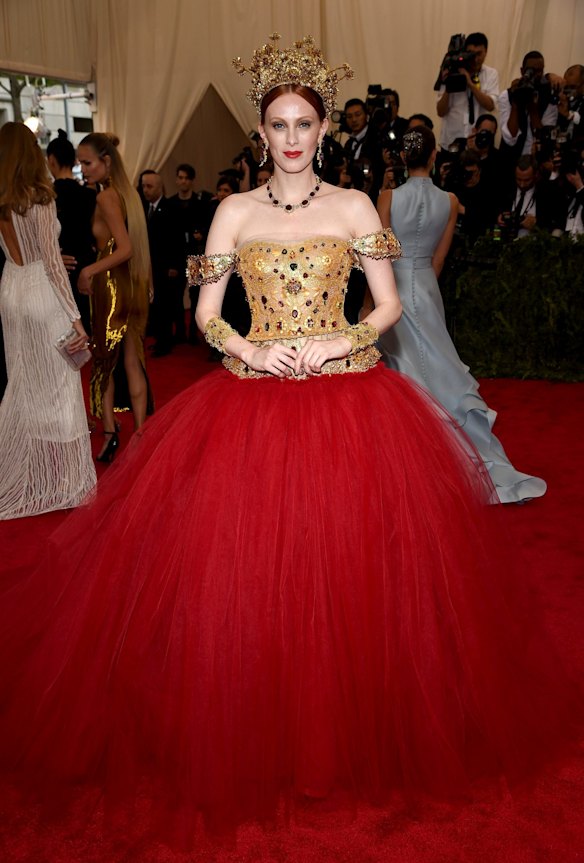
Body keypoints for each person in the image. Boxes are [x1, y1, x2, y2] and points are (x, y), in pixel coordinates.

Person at [0, 37, 574, 851]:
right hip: (253, 398)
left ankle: (353, 720)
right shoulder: (234, 211)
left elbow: (388, 306)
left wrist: (342, 343)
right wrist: (249, 348)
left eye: (306, 122)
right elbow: (203, 315)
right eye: (280, 124)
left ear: (322, 129)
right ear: (262, 132)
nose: (295, 136)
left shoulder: (353, 207)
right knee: (246, 572)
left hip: (351, 399)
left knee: (352, 568)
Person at [375, 126, 546, 503]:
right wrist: (422, 288)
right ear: (435, 156)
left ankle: (409, 466)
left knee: (404, 371)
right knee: (440, 369)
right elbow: (438, 262)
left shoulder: (387, 197)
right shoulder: (450, 201)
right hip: (427, 286)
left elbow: (379, 257)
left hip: (394, 288)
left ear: (403, 158)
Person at [0, 122, 96, 518]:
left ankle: (24, 474)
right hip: (41, 292)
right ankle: (68, 484)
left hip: (10, 290)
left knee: (23, 381)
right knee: (62, 385)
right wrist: (76, 319)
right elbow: (53, 264)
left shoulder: (3, 200)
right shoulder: (38, 198)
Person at [76, 132, 154, 462]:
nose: (83, 169)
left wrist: (89, 271)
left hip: (111, 286)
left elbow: (125, 249)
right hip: (133, 284)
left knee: (104, 365)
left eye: (87, 163)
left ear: (105, 162)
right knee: (133, 361)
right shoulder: (129, 195)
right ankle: (139, 432)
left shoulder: (107, 197)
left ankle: (110, 433)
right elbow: (136, 249)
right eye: (81, 163)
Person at [46, 129, 97, 334]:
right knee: (86, 319)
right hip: (87, 262)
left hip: (60, 264)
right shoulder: (89, 194)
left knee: (63, 325)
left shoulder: (47, 196)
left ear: (51, 161)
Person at [437, 32, 499, 153]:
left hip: (479, 143)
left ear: (486, 52)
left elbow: (490, 105)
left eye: (479, 54)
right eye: (471, 54)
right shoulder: (452, 69)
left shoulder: (491, 74)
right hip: (451, 141)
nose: (475, 59)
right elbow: (440, 111)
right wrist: (450, 83)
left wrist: (469, 83)